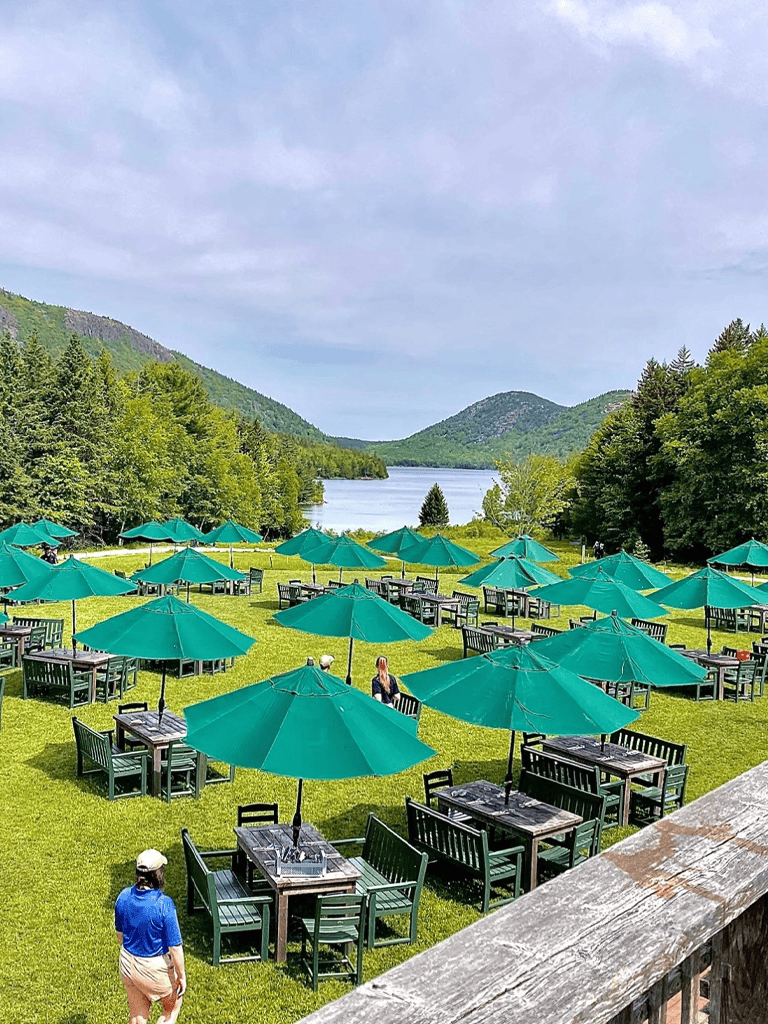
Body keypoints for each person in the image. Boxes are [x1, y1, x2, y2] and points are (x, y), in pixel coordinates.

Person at [115, 849, 186, 1024]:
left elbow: (120, 935)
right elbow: (175, 948)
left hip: (127, 963)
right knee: (172, 1007)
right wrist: (181, 975)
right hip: (155, 968)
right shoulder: (164, 904)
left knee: (138, 1017)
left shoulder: (123, 897)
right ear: (158, 875)